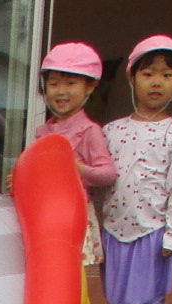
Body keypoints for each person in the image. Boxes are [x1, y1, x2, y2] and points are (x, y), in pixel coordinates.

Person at [96, 35, 172, 304]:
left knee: (150, 302)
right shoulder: (111, 130)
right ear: (132, 77)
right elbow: (99, 180)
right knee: (118, 301)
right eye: (148, 73)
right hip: (114, 229)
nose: (156, 82)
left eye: (167, 75)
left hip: (153, 231)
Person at [32, 42, 117, 274]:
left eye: (71, 83)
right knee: (48, 273)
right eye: (53, 83)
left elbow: (108, 173)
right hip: (45, 215)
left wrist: (79, 169)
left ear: (90, 87)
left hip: (72, 215)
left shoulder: (89, 130)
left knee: (72, 278)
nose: (61, 91)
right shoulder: (43, 132)